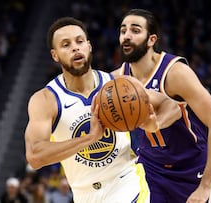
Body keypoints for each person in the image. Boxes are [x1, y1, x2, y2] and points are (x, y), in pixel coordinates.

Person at [25, 17, 180, 203]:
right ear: (55, 55)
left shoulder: (119, 85)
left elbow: (171, 105)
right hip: (84, 195)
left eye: (80, 41)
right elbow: (35, 156)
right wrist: (89, 138)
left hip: (127, 186)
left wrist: (155, 124)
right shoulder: (46, 100)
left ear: (89, 46)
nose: (75, 48)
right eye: (66, 44)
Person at [112, 9, 211, 203]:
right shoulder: (117, 81)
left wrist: (206, 186)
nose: (126, 36)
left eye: (135, 30)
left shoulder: (176, 73)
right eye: (123, 30)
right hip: (151, 168)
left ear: (151, 40)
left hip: (190, 168)